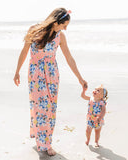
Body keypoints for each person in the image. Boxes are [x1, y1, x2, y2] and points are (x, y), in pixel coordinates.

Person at [13, 8, 87, 156]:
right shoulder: (34, 30)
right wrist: (17, 71)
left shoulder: (61, 37)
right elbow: (24, 51)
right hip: (36, 74)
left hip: (52, 75)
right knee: (41, 107)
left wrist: (80, 77)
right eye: (64, 25)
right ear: (55, 22)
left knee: (50, 108)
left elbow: (69, 58)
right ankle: (45, 144)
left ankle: (41, 135)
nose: (65, 28)